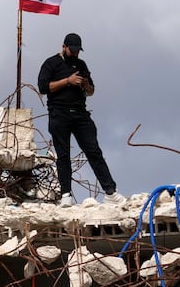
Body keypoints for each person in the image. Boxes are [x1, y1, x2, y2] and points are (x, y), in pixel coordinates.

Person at [37, 33, 127, 206]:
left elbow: (91, 91)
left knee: (94, 151)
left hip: (80, 113)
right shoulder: (51, 63)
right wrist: (68, 81)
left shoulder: (81, 64)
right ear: (64, 47)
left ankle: (110, 192)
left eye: (78, 50)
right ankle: (66, 195)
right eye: (72, 50)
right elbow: (43, 87)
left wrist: (85, 85)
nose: (75, 53)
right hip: (59, 113)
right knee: (63, 155)